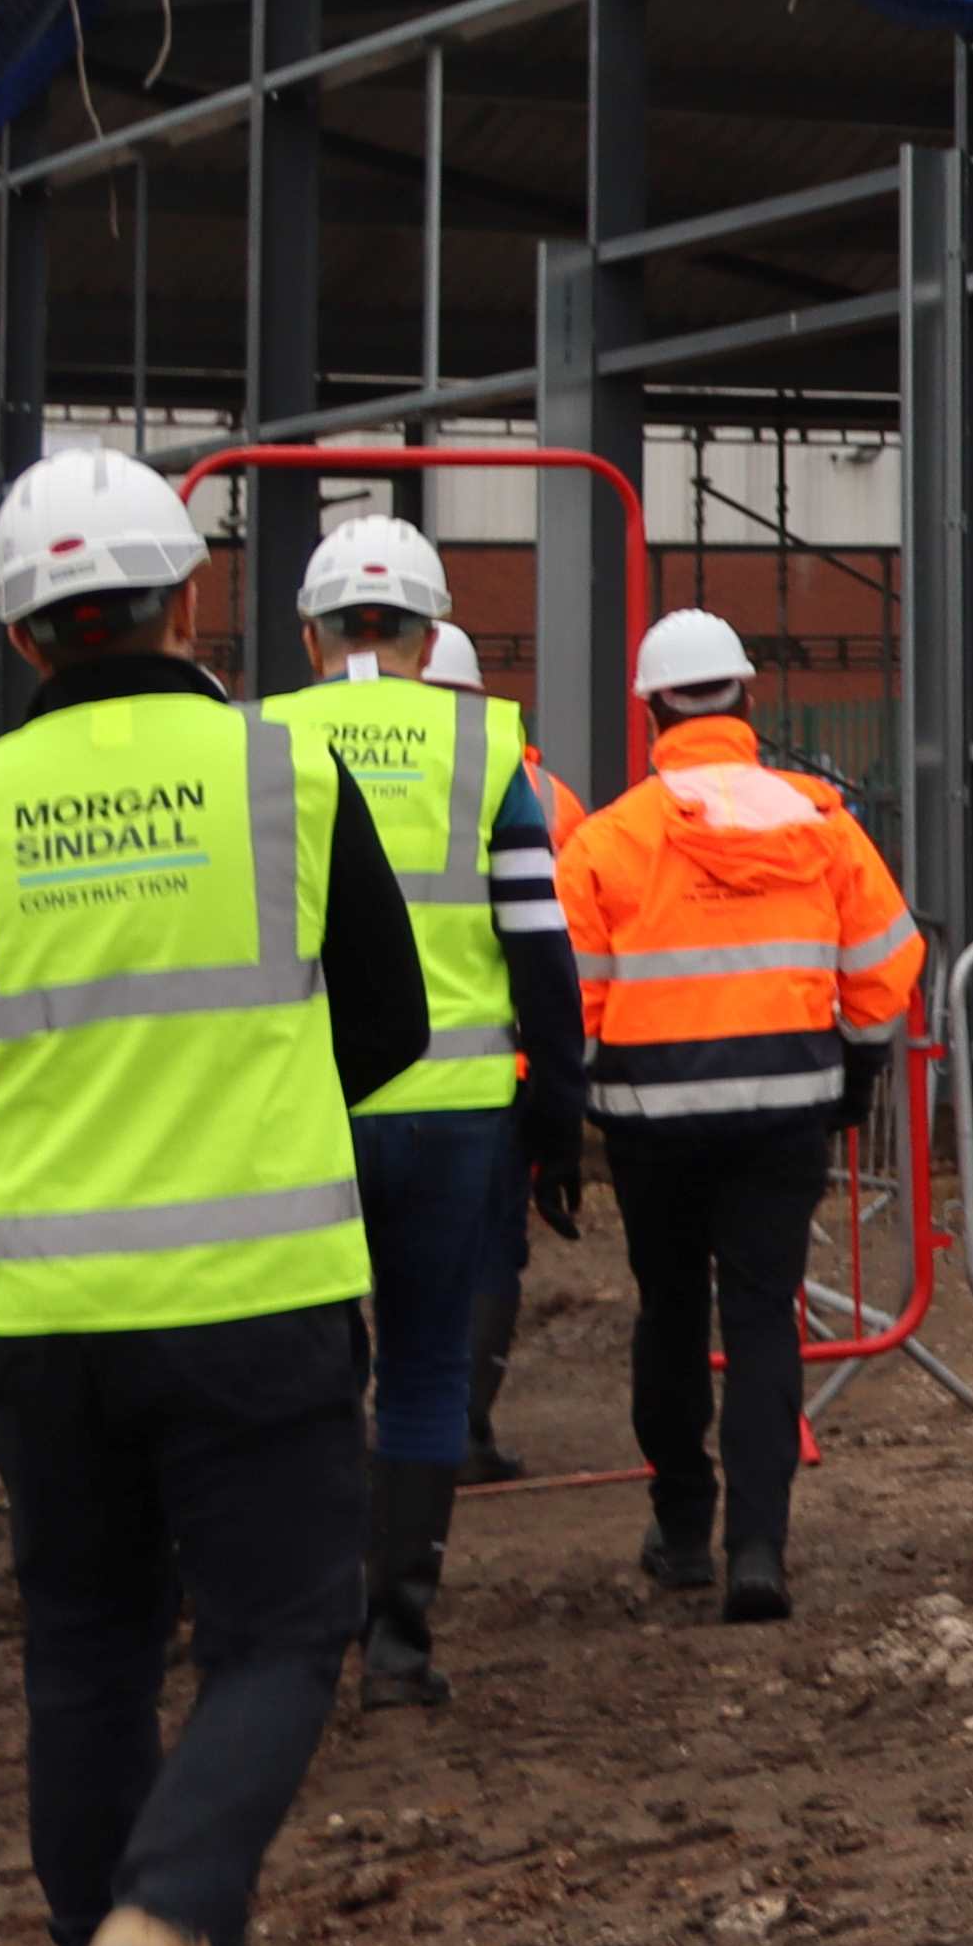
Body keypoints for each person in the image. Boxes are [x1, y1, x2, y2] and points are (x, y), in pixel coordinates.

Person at [0, 446, 420, 1946]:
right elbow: (392, 1023)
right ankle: (164, 1936)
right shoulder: (285, 775)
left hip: (39, 1313)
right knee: (276, 1636)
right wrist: (246, 1107)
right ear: (194, 602)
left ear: (23, 635)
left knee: (86, 1647)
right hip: (255, 1293)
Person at [260, 517, 582, 1708]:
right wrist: (558, 1111)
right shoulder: (485, 743)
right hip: (455, 1112)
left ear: (311, 632)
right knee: (431, 1364)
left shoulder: (263, 741)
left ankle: (306, 1609)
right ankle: (399, 1637)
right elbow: (539, 948)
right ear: (433, 630)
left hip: (309, 1103)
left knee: (310, 1365)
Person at [556, 608, 916, 1622]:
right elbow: (886, 963)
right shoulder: (821, 821)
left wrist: (576, 1102)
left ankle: (680, 1532)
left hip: (651, 1123)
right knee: (762, 1319)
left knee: (669, 1313)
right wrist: (856, 1067)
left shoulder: (609, 841)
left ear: (652, 708)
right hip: (783, 1113)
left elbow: (569, 996)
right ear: (748, 698)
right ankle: (759, 1549)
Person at [420, 621, 571, 1486]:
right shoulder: (542, 794)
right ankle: (463, 1430)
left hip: (346, 1078)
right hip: (493, 1072)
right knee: (483, 1256)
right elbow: (561, 950)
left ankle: (366, 1432)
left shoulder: (317, 770)